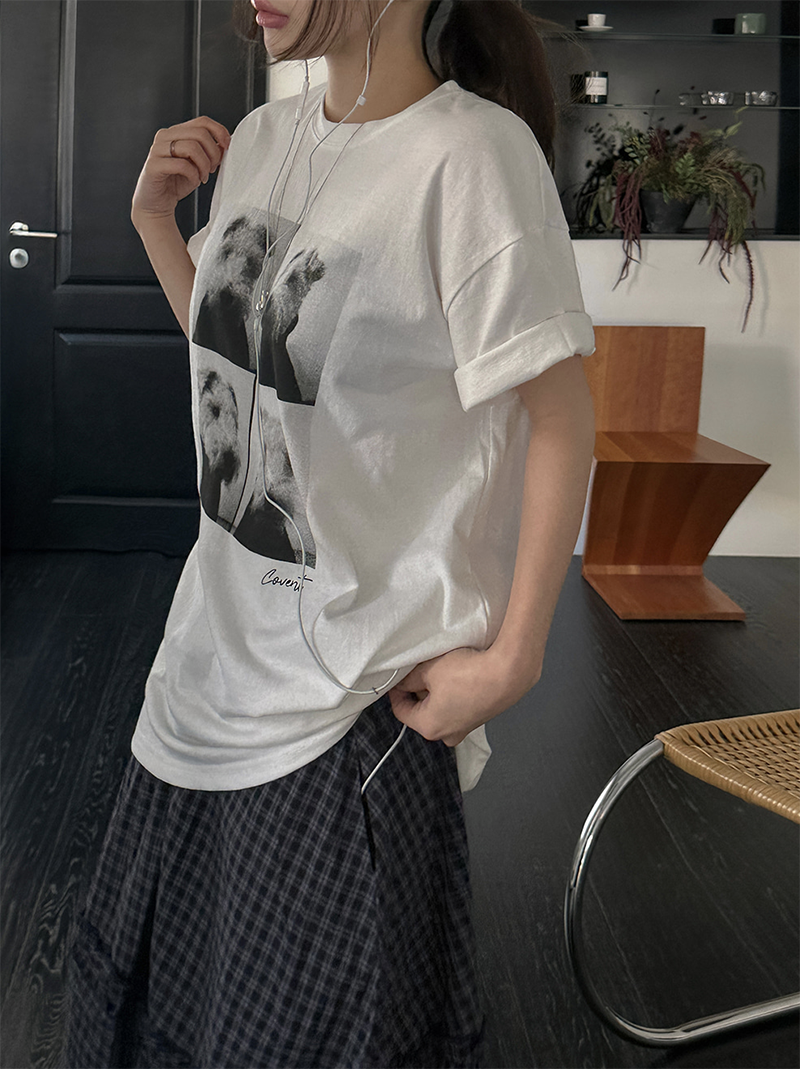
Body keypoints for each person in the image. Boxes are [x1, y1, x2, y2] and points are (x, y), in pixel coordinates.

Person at [59, 0, 597, 1066]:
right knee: (167, 1020)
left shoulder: (470, 157)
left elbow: (563, 415)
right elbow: (238, 364)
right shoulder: (267, 138)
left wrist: (515, 658)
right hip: (205, 664)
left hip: (349, 702)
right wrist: (155, 224)